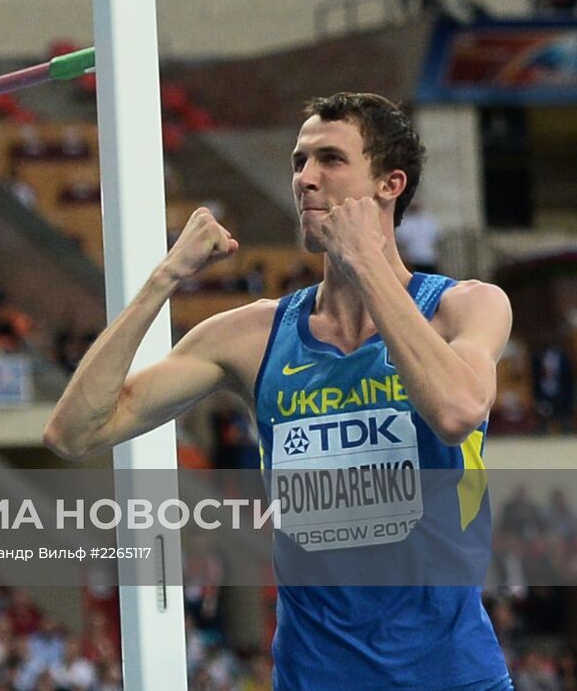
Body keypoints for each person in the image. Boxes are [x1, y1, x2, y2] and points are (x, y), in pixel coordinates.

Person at [44, 93, 512, 691]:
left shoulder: (464, 307)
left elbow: (456, 411)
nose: (305, 180)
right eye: (298, 162)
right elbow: (74, 431)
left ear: (390, 185)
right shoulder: (251, 336)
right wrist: (164, 279)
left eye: (330, 160)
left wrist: (364, 262)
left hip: (452, 677)